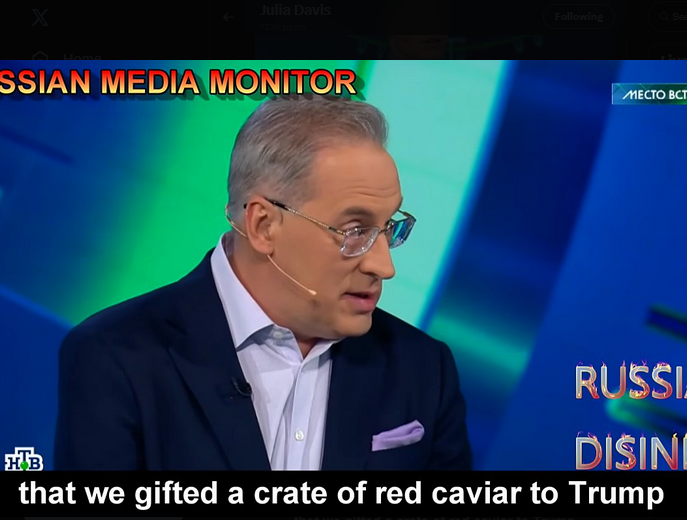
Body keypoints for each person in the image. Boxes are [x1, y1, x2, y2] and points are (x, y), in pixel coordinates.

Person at [54, 95, 473, 471]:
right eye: (355, 231)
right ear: (263, 225)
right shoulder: (117, 358)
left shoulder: (424, 369)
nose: (384, 266)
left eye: (389, 228)